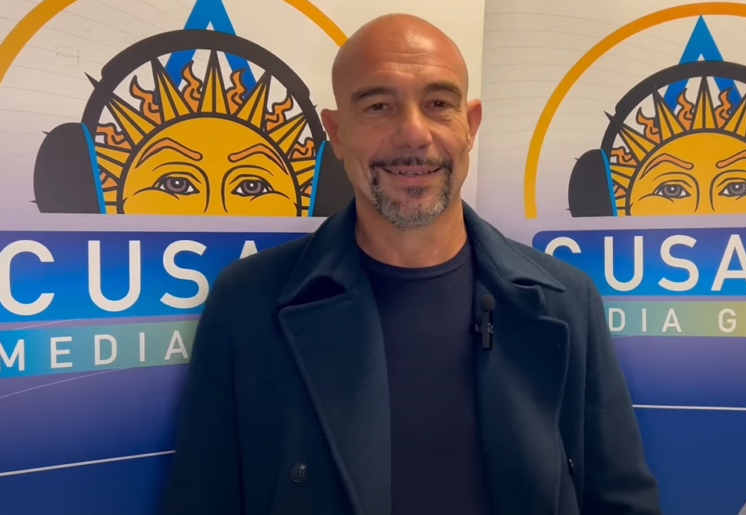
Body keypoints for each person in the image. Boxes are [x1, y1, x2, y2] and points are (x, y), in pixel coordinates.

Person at [161, 13, 662, 515]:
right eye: (378, 106)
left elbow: (621, 501)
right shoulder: (247, 302)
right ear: (336, 132)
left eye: (438, 104)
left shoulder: (565, 300)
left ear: (470, 126)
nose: (414, 134)